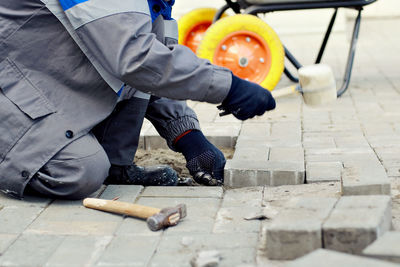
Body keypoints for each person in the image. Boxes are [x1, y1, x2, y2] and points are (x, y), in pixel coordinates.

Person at [0, 0, 276, 200]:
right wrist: (229, 87)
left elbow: (156, 57)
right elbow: (136, 58)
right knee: (79, 170)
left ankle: (116, 165)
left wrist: (188, 136)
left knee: (100, 163)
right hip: (13, 87)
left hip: (45, 83)